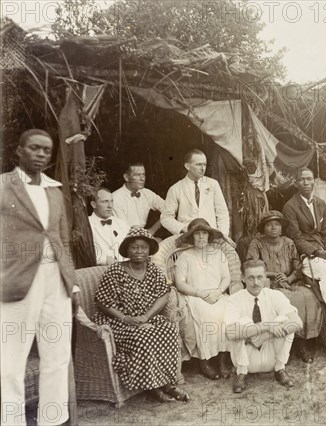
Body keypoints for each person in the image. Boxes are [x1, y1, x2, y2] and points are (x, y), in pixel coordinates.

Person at [1, 129, 77, 425]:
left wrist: (71, 283)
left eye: (47, 150)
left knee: (57, 357)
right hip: (16, 281)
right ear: (18, 151)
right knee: (10, 362)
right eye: (34, 148)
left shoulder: (54, 191)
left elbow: (61, 238)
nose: (42, 154)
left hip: (55, 281)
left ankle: (53, 420)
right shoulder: (4, 186)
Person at [93, 228, 189, 403]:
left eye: (143, 247)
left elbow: (164, 294)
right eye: (134, 247)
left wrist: (146, 317)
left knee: (167, 329)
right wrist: (126, 319)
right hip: (118, 320)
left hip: (147, 317)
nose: (139, 251)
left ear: (149, 250)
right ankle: (154, 388)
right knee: (144, 336)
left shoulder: (153, 269)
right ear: (127, 250)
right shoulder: (115, 270)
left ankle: (165, 383)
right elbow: (102, 302)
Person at [246, 211, 324, 363]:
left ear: (282, 227)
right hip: (268, 282)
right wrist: (275, 275)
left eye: (277, 224)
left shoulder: (288, 242)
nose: (273, 228)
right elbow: (251, 266)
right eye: (269, 225)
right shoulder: (257, 243)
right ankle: (284, 345)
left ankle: (302, 343)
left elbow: (297, 265)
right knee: (286, 299)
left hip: (291, 281)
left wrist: (289, 278)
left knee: (308, 296)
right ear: (263, 228)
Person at [282, 167, 326, 353]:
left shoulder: (320, 203)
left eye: (309, 179)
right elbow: (296, 238)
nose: (306, 183)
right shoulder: (290, 207)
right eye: (302, 180)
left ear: (314, 182)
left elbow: (325, 233)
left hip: (322, 250)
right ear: (296, 183)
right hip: (306, 254)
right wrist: (318, 253)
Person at [225, 260, 302, 393]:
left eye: (260, 277)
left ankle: (280, 369)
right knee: (243, 322)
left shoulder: (275, 295)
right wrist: (266, 326)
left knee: (284, 319)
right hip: (246, 359)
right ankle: (241, 374)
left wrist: (266, 335)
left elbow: (298, 322)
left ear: (265, 276)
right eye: (251, 278)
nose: (256, 282)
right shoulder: (234, 299)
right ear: (243, 278)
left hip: (272, 355)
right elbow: (230, 333)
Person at [174, 218, 232, 380]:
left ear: (209, 236)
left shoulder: (218, 254)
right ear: (191, 237)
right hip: (195, 295)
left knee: (227, 312)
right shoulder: (185, 256)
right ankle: (205, 361)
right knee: (205, 314)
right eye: (197, 234)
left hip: (217, 294)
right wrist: (199, 293)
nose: (200, 237)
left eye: (204, 233)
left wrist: (219, 292)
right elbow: (180, 283)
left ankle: (222, 359)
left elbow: (226, 277)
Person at [161, 149, 230, 236]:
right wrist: (185, 229)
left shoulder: (213, 184)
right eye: (198, 164)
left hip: (210, 236)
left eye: (204, 164)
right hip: (186, 237)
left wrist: (222, 235)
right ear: (187, 166)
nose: (203, 168)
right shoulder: (176, 188)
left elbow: (222, 212)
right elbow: (166, 218)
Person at [112, 163, 165, 236]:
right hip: (125, 238)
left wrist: (152, 230)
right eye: (137, 175)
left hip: (144, 235)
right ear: (126, 177)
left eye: (143, 174)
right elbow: (124, 230)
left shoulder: (147, 193)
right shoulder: (116, 198)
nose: (142, 178)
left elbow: (169, 209)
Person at [89, 187, 130, 265]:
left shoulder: (122, 223)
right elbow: (84, 253)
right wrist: (103, 260)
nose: (110, 206)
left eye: (111, 201)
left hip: (126, 269)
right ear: (93, 204)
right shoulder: (87, 225)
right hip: (100, 270)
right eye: (105, 202)